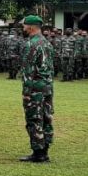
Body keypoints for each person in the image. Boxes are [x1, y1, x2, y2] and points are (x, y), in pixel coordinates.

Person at [19, 15, 54, 163]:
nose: (23, 28)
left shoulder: (31, 45)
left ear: (31, 27)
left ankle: (38, 153)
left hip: (35, 88)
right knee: (46, 119)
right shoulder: (47, 43)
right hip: (47, 87)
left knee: (34, 119)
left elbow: (28, 71)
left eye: (24, 26)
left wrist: (26, 93)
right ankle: (44, 151)